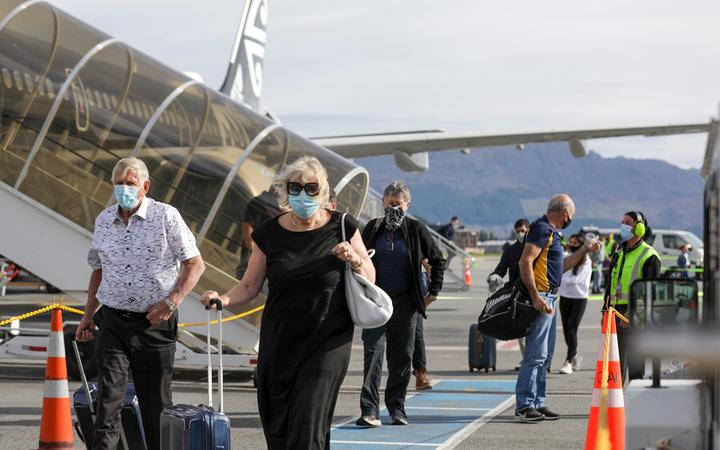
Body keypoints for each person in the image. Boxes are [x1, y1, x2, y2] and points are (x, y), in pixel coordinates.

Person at [201, 156, 374, 449]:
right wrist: (222, 298)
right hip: (279, 344)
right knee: (279, 429)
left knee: (308, 424)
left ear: (323, 192)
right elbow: (249, 285)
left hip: (327, 343)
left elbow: (370, 275)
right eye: (296, 187)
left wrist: (355, 258)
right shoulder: (268, 232)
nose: (303, 194)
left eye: (311, 187)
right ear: (286, 190)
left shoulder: (342, 226)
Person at [75, 157, 206, 450]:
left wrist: (172, 302)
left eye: (130, 183)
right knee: (108, 401)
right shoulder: (104, 219)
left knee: (156, 405)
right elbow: (99, 269)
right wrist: (88, 315)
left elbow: (195, 265)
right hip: (112, 322)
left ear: (145, 186)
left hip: (154, 324)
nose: (124, 189)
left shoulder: (165, 216)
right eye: (119, 183)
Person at [358, 182, 445, 427]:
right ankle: (369, 410)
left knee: (401, 358)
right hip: (376, 303)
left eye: (399, 203)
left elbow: (438, 260)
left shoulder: (416, 229)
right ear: (383, 202)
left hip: (406, 304)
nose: (394, 206)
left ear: (407, 204)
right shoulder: (373, 228)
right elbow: (358, 260)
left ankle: (397, 408)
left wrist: (432, 293)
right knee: (373, 353)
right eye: (390, 202)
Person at [515, 194, 600, 423]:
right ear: (565, 214)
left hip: (550, 298)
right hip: (541, 297)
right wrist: (535, 296)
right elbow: (525, 261)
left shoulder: (551, 233)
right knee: (535, 355)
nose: (570, 219)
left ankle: (538, 402)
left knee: (545, 356)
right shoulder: (542, 229)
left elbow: (561, 266)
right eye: (571, 215)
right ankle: (525, 405)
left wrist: (585, 250)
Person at [605, 211, 661, 381]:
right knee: (616, 360)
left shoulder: (649, 255)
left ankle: (636, 402)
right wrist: (605, 310)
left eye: (627, 222)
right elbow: (610, 284)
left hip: (635, 312)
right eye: (622, 221)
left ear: (639, 228)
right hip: (615, 312)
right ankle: (618, 401)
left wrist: (633, 310)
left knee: (635, 362)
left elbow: (650, 289)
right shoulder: (619, 253)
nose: (623, 225)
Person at [487, 218, 530, 369]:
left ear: (529, 230)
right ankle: (527, 359)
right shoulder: (510, 251)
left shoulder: (536, 247)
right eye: (517, 231)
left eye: (523, 231)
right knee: (520, 331)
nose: (520, 234)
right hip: (517, 294)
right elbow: (501, 269)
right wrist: (494, 277)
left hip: (535, 293)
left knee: (536, 330)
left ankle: (537, 360)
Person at [558, 233, 592, 375]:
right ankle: (575, 354)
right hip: (564, 296)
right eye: (570, 242)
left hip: (579, 298)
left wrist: (560, 278)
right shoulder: (566, 256)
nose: (571, 245)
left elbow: (575, 280)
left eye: (575, 243)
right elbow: (560, 271)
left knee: (572, 328)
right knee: (566, 330)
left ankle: (569, 361)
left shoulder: (586, 261)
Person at [237, 188, 284, 279]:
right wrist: (254, 253)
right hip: (254, 257)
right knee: (245, 280)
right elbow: (247, 227)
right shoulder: (260, 202)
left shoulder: (275, 207)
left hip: (264, 258)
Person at [412, 259, 433, 390]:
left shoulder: (416, 238)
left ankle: (420, 373)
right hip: (387, 289)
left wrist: (431, 289)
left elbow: (428, 262)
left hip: (414, 294)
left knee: (417, 335)